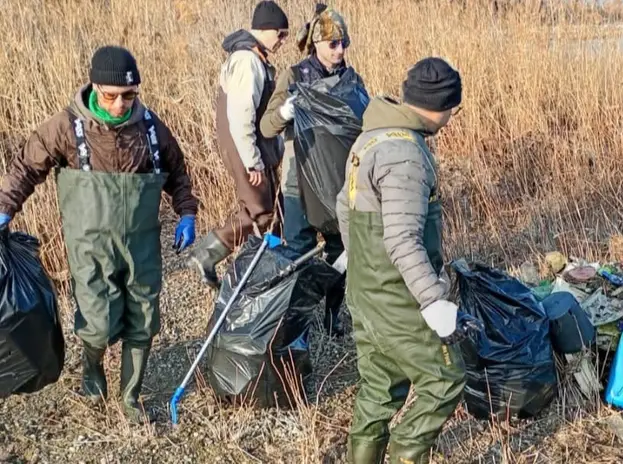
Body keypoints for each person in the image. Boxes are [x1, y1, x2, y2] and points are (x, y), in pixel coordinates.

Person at [0, 45, 199, 423]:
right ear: (94, 87)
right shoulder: (68, 127)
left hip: (141, 244)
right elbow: (26, 166)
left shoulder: (150, 128)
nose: (120, 104)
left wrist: (187, 212)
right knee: (97, 323)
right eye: (111, 96)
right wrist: (5, 208)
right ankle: (92, 373)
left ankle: (130, 397)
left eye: (129, 95)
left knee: (144, 320)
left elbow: (177, 171)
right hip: (90, 245)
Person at [336, 57, 466, 464]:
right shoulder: (405, 154)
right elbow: (402, 238)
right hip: (396, 296)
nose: (453, 117)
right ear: (441, 106)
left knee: (379, 388)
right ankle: (406, 453)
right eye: (454, 108)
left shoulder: (371, 137)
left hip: (365, 290)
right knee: (445, 378)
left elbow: (343, 204)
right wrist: (433, 300)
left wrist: (355, 257)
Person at [260, 2, 362, 336]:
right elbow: (266, 127)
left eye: (344, 43)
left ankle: (333, 316)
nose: (340, 50)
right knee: (298, 253)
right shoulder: (294, 76)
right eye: (333, 43)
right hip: (299, 181)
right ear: (316, 43)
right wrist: (285, 113)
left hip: (339, 181)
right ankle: (294, 326)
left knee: (342, 250)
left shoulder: (351, 80)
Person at [187, 0, 289, 289]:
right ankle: (206, 255)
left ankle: (266, 269)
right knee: (261, 213)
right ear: (265, 29)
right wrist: (252, 161)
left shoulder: (253, 57)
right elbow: (241, 116)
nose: (283, 40)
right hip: (244, 148)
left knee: (273, 211)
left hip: (250, 148)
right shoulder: (247, 61)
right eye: (280, 34)